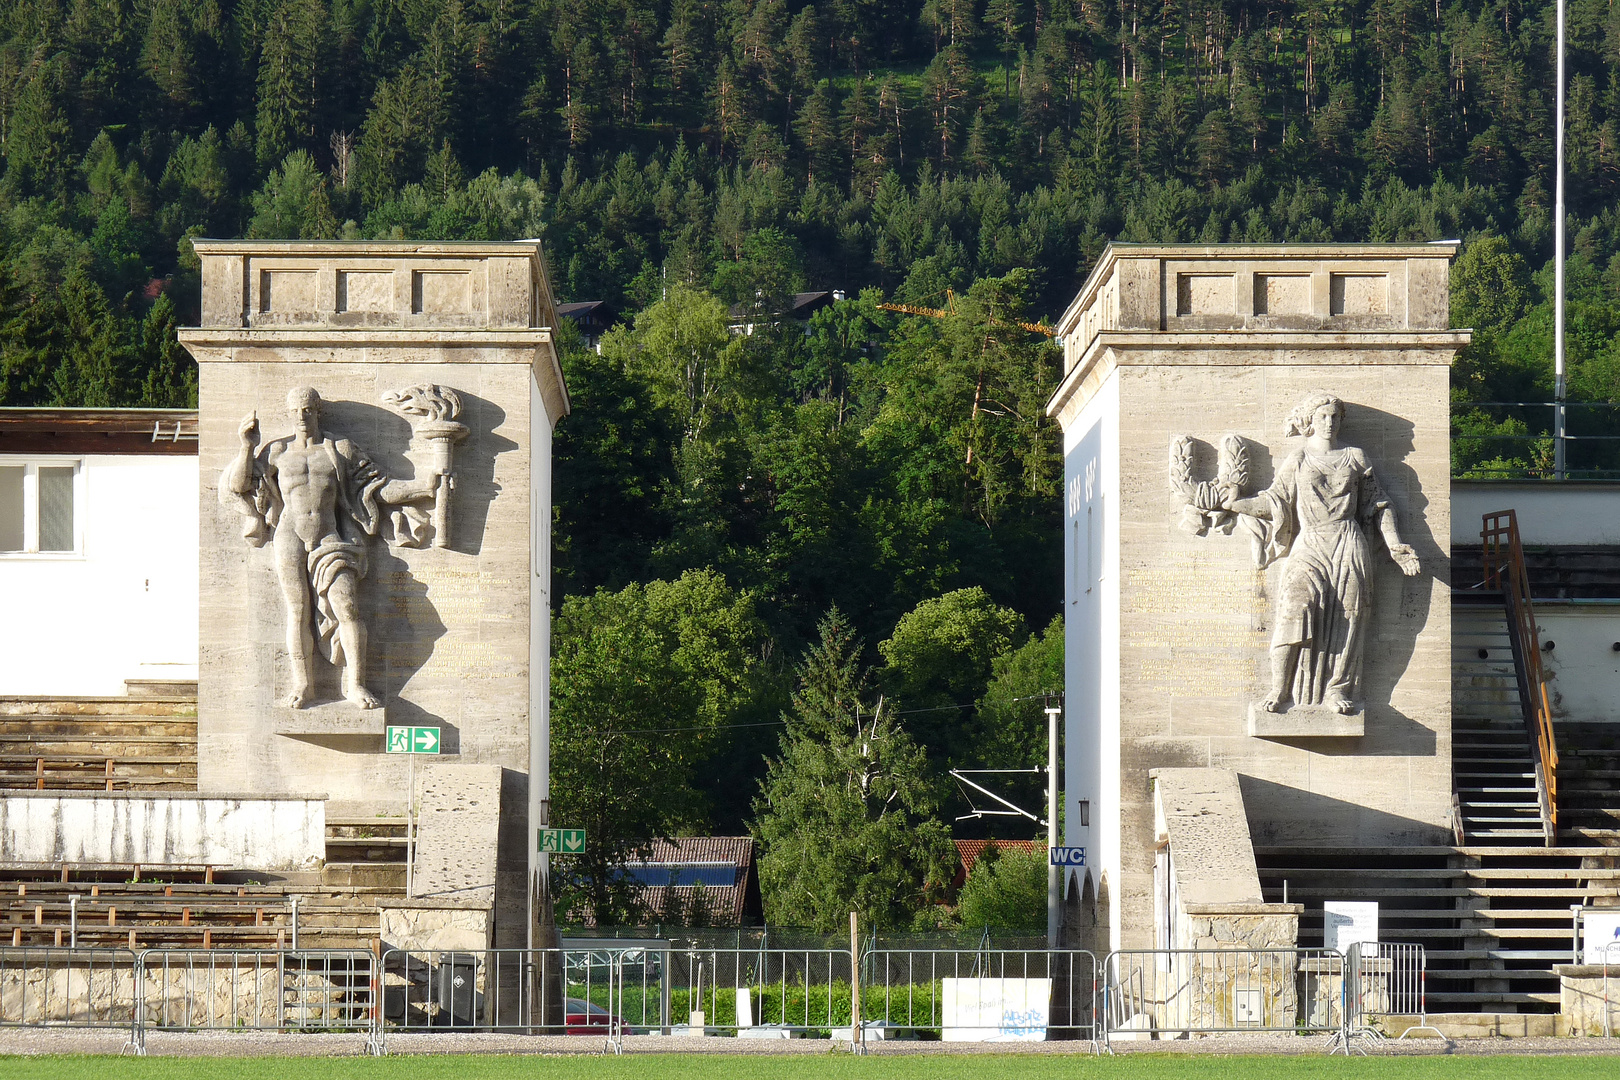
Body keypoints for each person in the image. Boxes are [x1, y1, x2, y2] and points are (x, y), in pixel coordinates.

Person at [1198, 391, 1421, 715]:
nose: (1329, 423)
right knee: (1294, 609)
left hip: (1348, 541)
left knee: (1352, 617)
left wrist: (1394, 544)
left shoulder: (1356, 457)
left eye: (1334, 417)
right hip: (1311, 543)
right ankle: (1279, 688)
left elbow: (1378, 504)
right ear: (1310, 421)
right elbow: (1272, 502)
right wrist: (1230, 503)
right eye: (1322, 417)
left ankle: (1337, 689)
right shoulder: (1299, 458)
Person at [222, 386, 439, 709]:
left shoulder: (340, 449)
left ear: (317, 411)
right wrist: (246, 447)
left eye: (307, 410)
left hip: (331, 537)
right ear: (289, 412)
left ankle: (355, 684)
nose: (301, 416)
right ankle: (303, 684)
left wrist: (423, 487)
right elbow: (240, 485)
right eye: (295, 410)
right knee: (297, 611)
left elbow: (379, 488)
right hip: (289, 534)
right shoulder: (276, 452)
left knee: (348, 608)